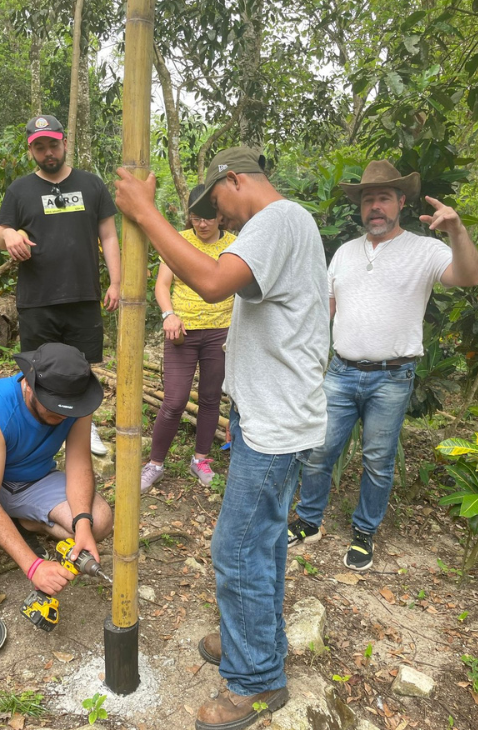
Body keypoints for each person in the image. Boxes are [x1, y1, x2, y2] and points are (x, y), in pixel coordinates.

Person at [115, 148, 329, 730]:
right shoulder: (294, 223)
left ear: (237, 180)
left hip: (277, 423)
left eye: (218, 204)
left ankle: (256, 680)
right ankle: (254, 640)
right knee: (263, 544)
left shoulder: (277, 221)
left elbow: (211, 283)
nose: (220, 219)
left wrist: (145, 212)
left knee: (235, 552)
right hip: (274, 415)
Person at [288, 160, 478, 571]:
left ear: (401, 202)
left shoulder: (426, 249)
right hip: (340, 371)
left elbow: (469, 277)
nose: (375, 207)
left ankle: (363, 532)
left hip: (392, 377)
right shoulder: (343, 252)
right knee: (320, 452)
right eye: (368, 199)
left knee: (378, 461)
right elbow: (326, 309)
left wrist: (458, 232)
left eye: (383, 198)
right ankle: (308, 521)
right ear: (360, 207)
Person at [0, 343, 113, 656]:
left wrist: (82, 524)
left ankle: (22, 521)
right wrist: (34, 566)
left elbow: (79, 462)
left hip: (32, 482)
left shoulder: (75, 401)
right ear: (29, 384)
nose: (59, 417)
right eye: (52, 409)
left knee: (100, 519)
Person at [0, 114, 121, 456]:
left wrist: (116, 282)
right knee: (34, 367)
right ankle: (30, 432)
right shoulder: (20, 190)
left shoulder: (91, 184)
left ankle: (83, 427)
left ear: (64, 143)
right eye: (40, 147)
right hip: (38, 297)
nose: (48, 152)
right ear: (31, 151)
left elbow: (108, 235)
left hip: (83, 294)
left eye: (52, 144)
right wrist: (8, 235)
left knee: (82, 366)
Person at [141, 185, 236, 493]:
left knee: (210, 399)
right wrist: (169, 314)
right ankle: (155, 464)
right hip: (182, 332)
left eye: (208, 218)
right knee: (174, 400)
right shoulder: (179, 241)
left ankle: (201, 460)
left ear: (221, 215)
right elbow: (162, 285)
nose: (202, 225)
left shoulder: (235, 244)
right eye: (196, 218)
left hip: (220, 332)